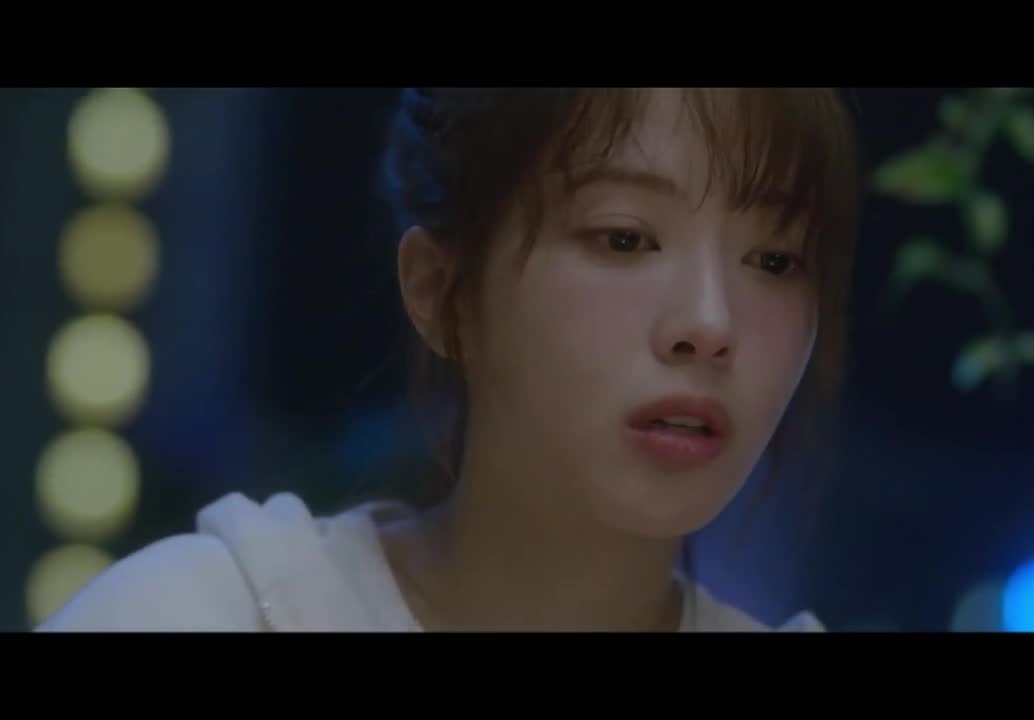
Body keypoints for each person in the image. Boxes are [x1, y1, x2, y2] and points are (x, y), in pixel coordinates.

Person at [38, 87, 862, 632]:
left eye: (776, 259)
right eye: (624, 238)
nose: (710, 324)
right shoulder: (197, 615)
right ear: (441, 291)